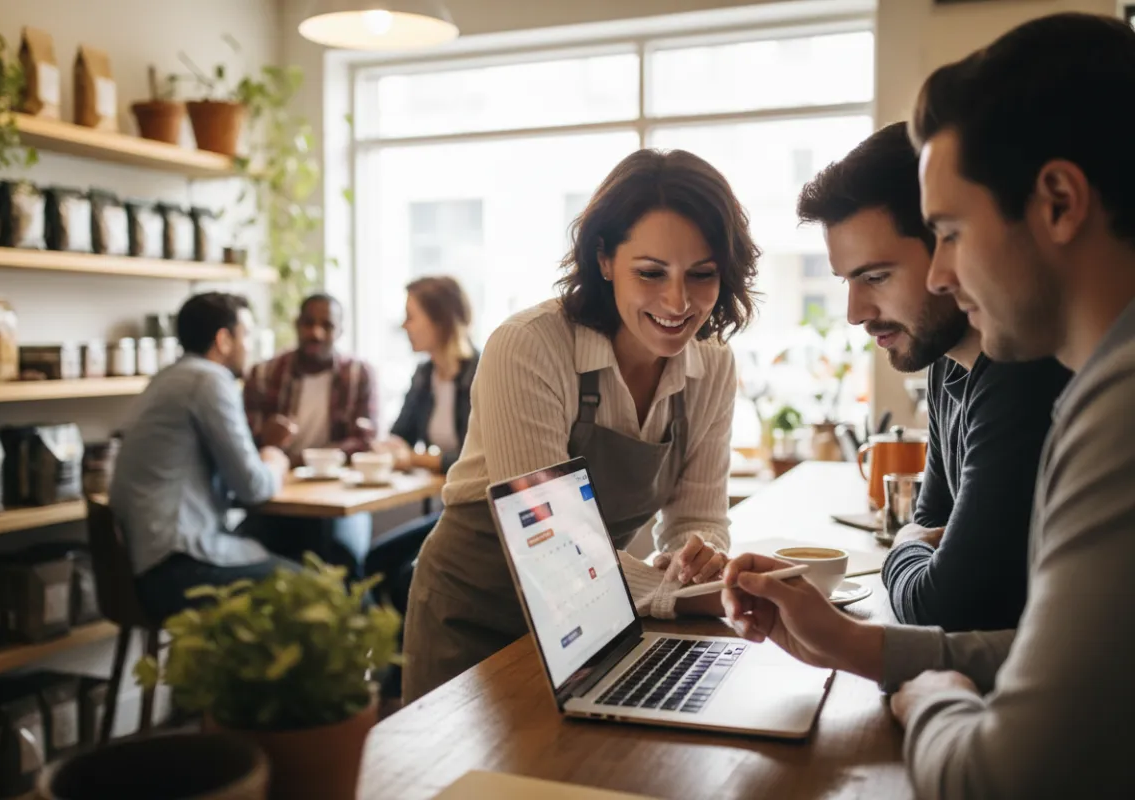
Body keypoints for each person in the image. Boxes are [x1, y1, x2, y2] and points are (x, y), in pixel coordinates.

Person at [722, 14, 1135, 797]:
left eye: (947, 232)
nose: (943, 275)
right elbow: (1048, 655)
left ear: (1057, 202)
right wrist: (858, 645)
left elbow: (1003, 775)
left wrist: (934, 696)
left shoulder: (1115, 402)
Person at [403, 148, 760, 702]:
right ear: (603, 259)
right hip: (473, 619)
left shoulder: (712, 364)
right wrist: (681, 594)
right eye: (650, 272)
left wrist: (699, 558)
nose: (677, 301)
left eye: (702, 274)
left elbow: (698, 516)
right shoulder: (529, 347)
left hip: (594, 618)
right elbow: (551, 549)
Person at [796, 122, 1070, 631]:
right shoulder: (948, 367)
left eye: (875, 277)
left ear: (949, 247)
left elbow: (945, 605)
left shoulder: (1022, 375)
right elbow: (927, 526)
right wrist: (915, 544)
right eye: (847, 281)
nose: (855, 312)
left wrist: (902, 548)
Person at [110, 292, 294, 622]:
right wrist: (274, 457)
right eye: (246, 334)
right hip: (180, 565)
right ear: (223, 340)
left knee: (279, 547)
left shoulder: (169, 378)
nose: (250, 346)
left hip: (148, 562)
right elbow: (253, 486)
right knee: (324, 593)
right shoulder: (208, 381)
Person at [241, 293, 378, 575]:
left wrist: (309, 459)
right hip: (280, 496)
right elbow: (242, 441)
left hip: (339, 494)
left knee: (346, 557)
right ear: (296, 325)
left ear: (340, 331)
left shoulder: (358, 374)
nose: (315, 333)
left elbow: (366, 439)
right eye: (308, 323)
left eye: (326, 325)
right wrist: (265, 439)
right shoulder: (264, 374)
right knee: (246, 549)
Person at [368, 276, 479, 612]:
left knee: (406, 576)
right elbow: (402, 432)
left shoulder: (482, 373)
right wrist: (386, 446)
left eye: (411, 316)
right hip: (447, 505)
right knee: (374, 561)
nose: (404, 326)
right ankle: (395, 661)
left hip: (475, 510)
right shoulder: (424, 373)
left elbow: (474, 459)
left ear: (440, 319)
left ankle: (409, 662)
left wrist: (416, 459)